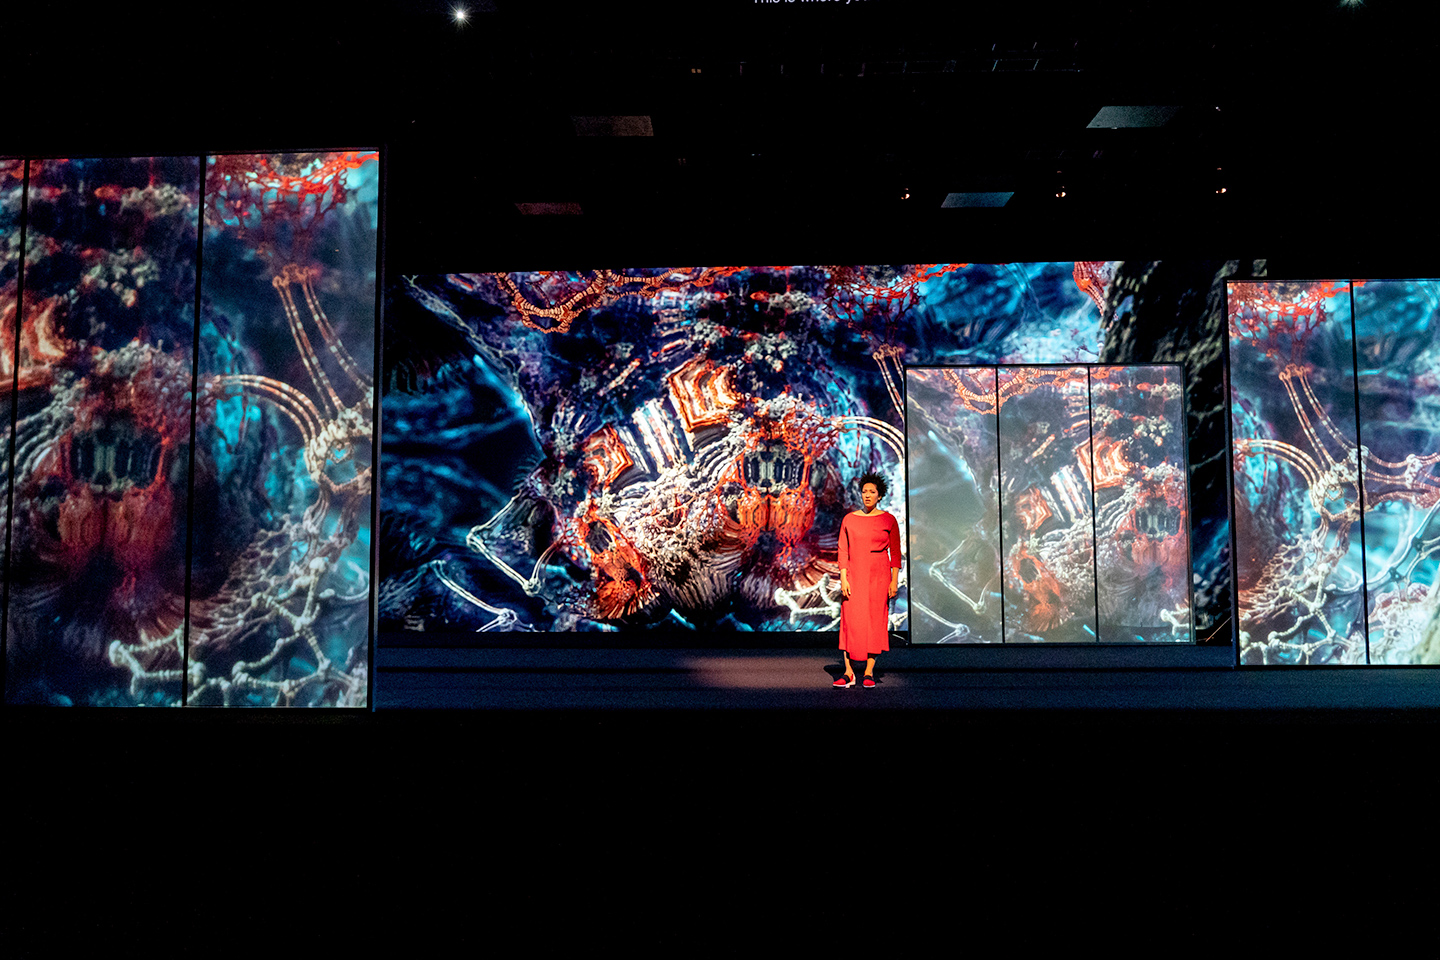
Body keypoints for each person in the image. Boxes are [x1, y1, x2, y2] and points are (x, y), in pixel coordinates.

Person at [834, 471, 901, 689]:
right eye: (864, 491)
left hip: (878, 576)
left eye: (872, 492)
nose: (868, 495)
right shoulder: (850, 519)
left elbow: (895, 553)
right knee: (850, 622)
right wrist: (844, 578)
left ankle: (869, 671)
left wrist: (894, 581)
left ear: (879, 495)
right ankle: (848, 672)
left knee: (874, 622)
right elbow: (843, 550)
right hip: (854, 574)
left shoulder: (888, 520)